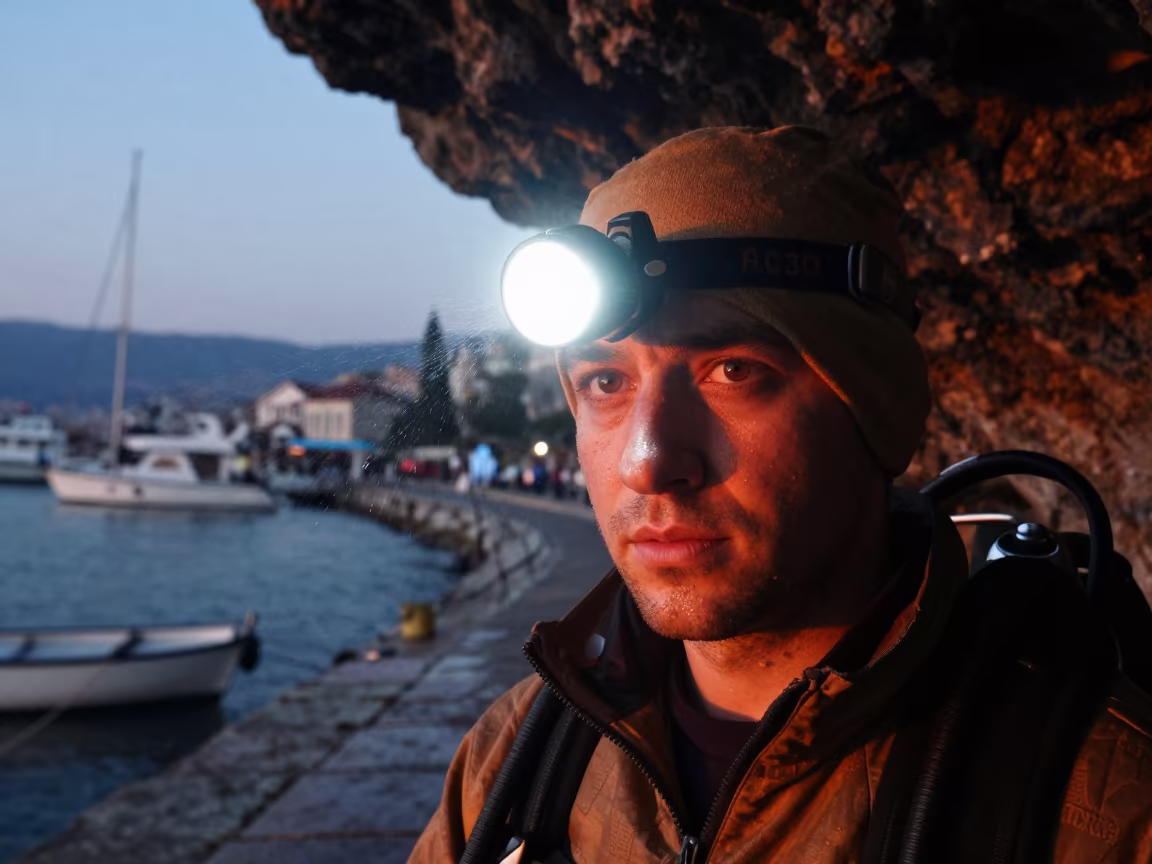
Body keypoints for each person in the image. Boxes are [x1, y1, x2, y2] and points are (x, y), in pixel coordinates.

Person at [408, 127, 1152, 863]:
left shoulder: (1100, 811)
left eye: (733, 371)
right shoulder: (512, 767)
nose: (649, 460)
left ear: (874, 406)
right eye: (605, 383)